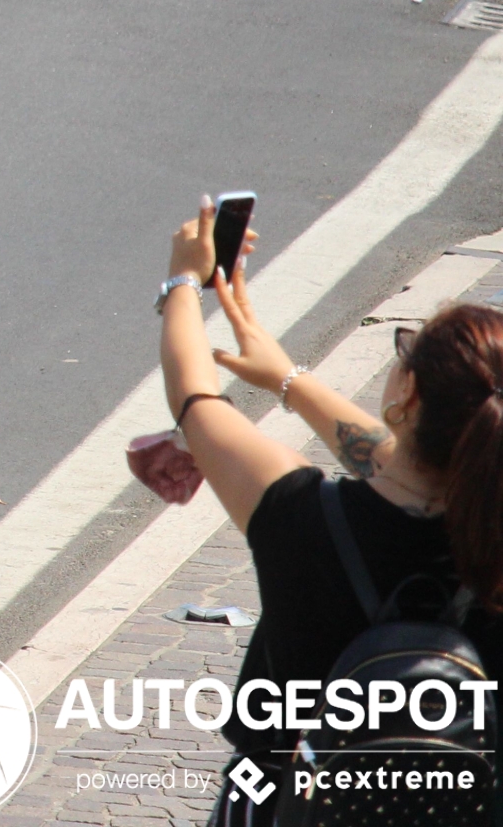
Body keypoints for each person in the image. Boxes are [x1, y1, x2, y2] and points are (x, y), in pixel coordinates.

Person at [158, 200, 503, 823]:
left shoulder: (301, 517)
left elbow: (193, 396)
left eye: (405, 350)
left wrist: (183, 281)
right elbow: (403, 460)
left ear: (407, 397)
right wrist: (286, 379)